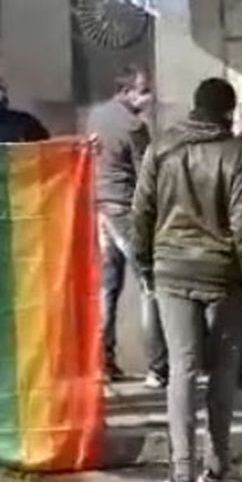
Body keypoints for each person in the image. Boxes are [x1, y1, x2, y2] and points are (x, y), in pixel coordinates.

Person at [131, 78, 242, 482]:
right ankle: (217, 470)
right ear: (228, 111)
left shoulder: (162, 147)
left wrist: (145, 265)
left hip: (171, 269)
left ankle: (181, 479)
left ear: (194, 105)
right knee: (223, 374)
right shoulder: (236, 153)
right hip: (223, 273)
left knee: (182, 371)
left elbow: (142, 211)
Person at [86, 66, 168, 386]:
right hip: (126, 211)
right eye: (142, 89)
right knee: (151, 285)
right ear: (126, 91)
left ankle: (102, 361)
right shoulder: (135, 126)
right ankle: (157, 367)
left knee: (108, 287)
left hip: (100, 211)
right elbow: (148, 178)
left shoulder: (95, 116)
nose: (148, 96)